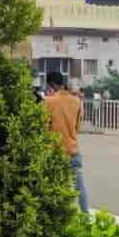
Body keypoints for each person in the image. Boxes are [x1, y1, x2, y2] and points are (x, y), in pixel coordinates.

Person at [45, 71, 88, 212]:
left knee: (56, 188)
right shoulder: (76, 101)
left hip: (55, 152)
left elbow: (44, 128)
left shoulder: (49, 102)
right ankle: (85, 215)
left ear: (52, 84)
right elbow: (77, 128)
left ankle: (61, 217)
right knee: (79, 186)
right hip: (73, 151)